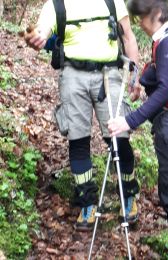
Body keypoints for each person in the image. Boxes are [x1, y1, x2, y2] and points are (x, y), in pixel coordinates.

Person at [24, 0, 141, 231]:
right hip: (72, 75)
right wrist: (35, 39)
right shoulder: (55, 4)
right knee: (78, 140)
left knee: (118, 137)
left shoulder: (112, 1)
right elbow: (41, 32)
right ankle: (87, 203)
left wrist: (135, 74)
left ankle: (128, 196)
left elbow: (128, 36)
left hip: (109, 74)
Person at [107, 0, 168, 258]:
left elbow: (166, 89)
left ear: (156, 13)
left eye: (141, 18)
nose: (139, 24)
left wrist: (129, 120)